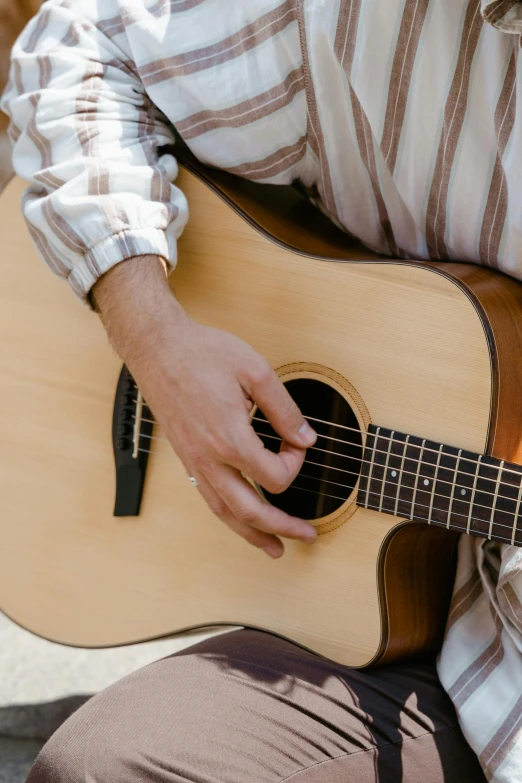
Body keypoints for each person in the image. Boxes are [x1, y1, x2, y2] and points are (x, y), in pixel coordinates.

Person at [2, 1, 522, 780]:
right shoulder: (369, 19)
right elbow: (75, 46)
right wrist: (155, 338)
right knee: (102, 766)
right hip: (421, 640)